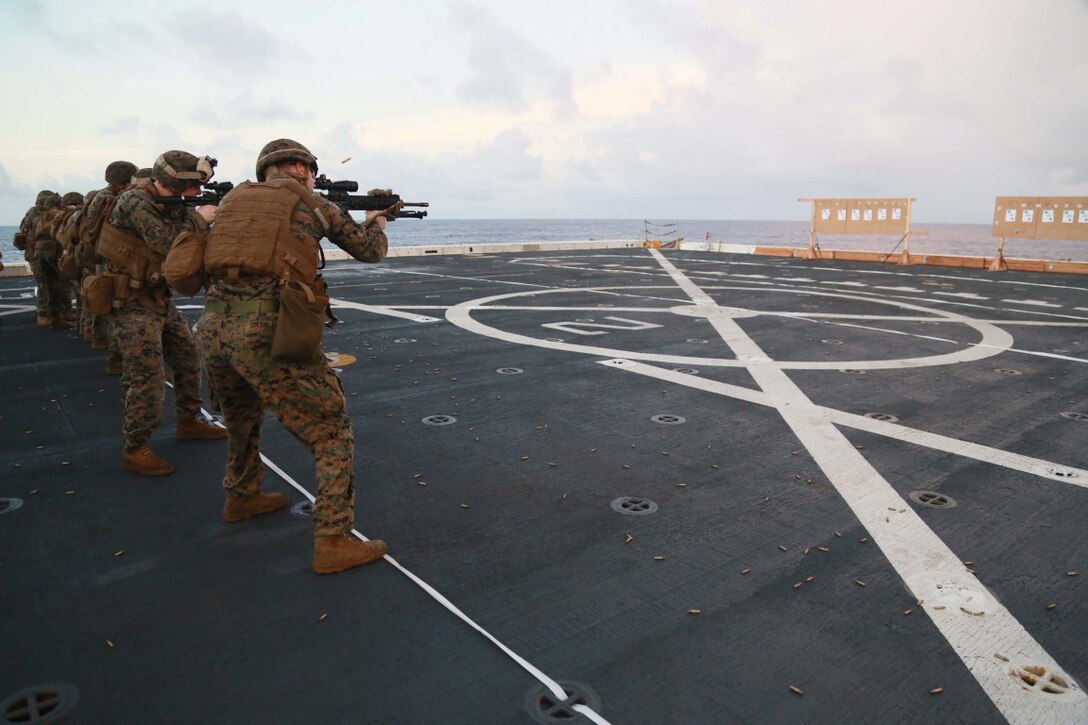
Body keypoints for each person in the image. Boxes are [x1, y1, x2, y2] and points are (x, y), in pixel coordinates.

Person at [193, 139, 391, 574]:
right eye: (311, 171)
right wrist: (376, 222)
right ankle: (333, 539)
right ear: (300, 168)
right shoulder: (310, 201)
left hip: (212, 330)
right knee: (330, 430)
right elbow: (370, 250)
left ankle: (241, 495)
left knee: (242, 416)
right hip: (266, 331)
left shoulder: (230, 202)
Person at [99, 150, 226, 476]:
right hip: (129, 301)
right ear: (173, 182)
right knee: (148, 375)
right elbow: (169, 243)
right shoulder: (135, 201)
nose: (198, 193)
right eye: (193, 187)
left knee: (187, 356)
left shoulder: (167, 204)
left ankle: (189, 420)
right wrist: (201, 218)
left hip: (155, 297)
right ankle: (135, 446)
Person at [79, 161, 138, 367]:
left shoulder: (100, 196)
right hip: (110, 255)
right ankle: (116, 357)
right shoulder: (115, 198)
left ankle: (99, 338)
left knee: (105, 303)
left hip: (100, 253)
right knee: (117, 309)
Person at [15, 190, 62, 326]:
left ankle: (46, 313)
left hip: (34, 252)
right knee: (45, 285)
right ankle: (44, 315)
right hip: (38, 253)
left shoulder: (30, 213)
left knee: (45, 284)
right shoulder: (39, 215)